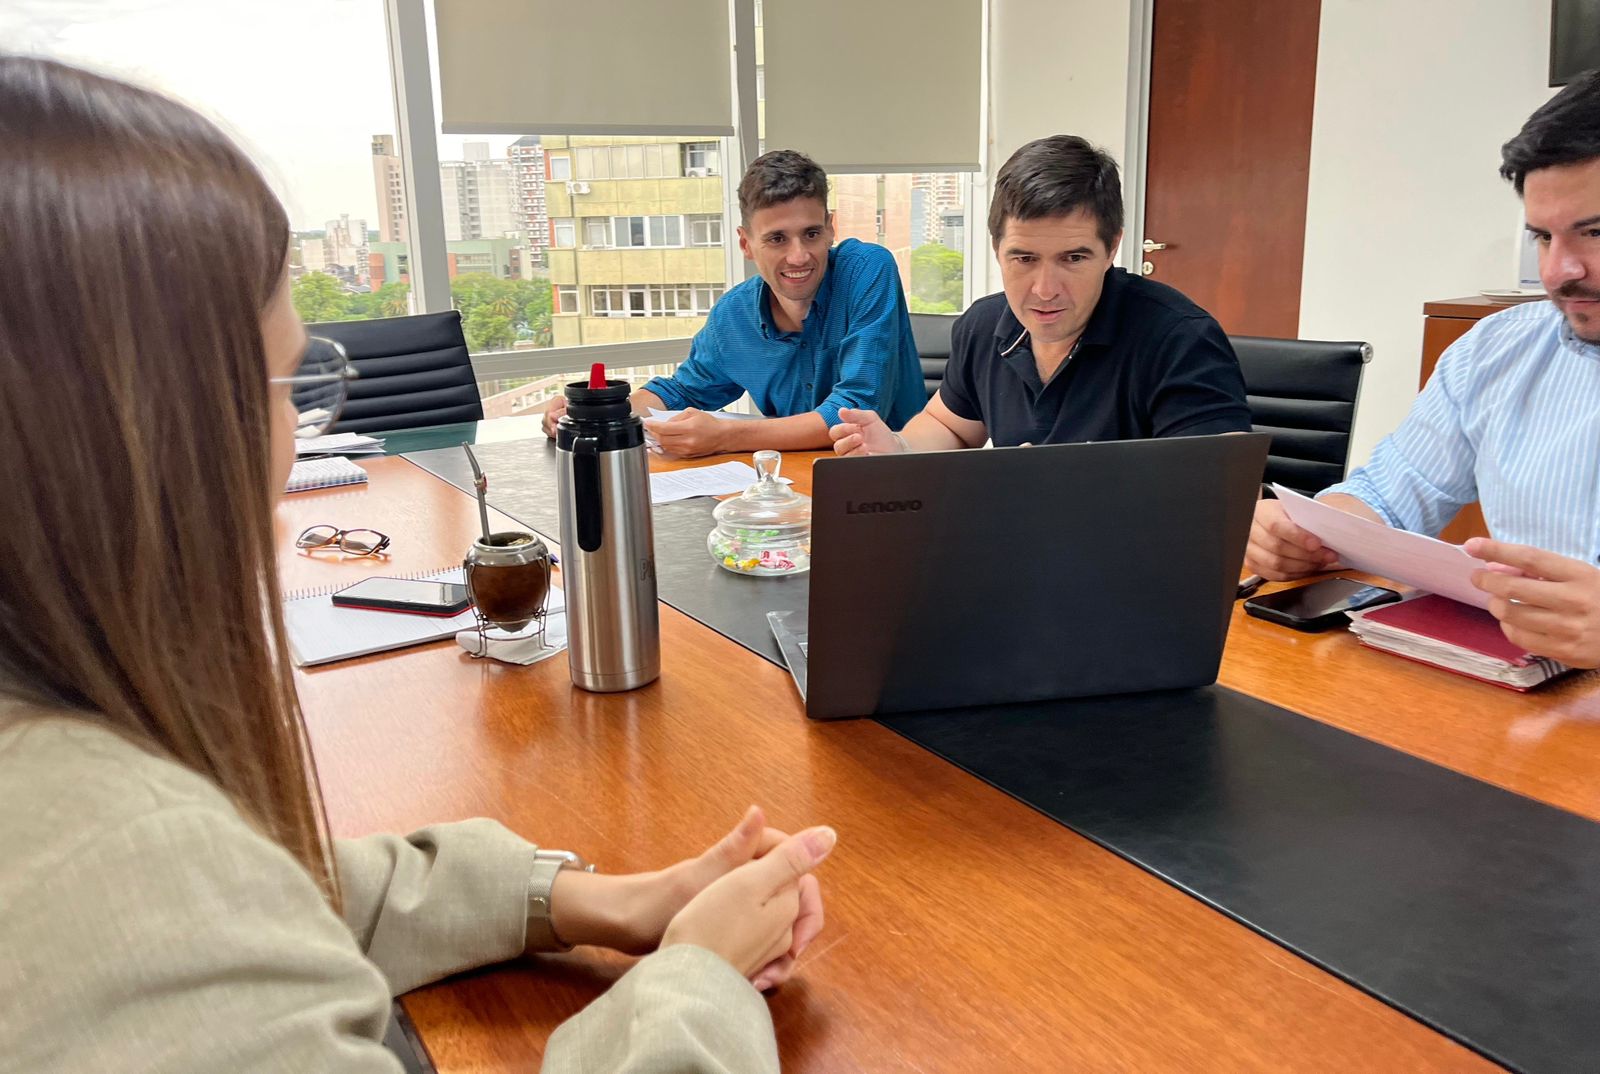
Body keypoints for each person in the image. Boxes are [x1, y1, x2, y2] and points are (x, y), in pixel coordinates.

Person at [0, 57, 832, 1072]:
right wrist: (696, 976)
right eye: (283, 378)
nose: (292, 428)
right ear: (145, 425)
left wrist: (587, 899)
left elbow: (264, 894)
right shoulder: (96, 858)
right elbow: (181, 909)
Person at [1244, 69, 1600, 669]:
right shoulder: (1495, 352)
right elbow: (1387, 496)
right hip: (1516, 702)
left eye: (1594, 233)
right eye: (1542, 237)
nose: (1558, 271)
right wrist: (1306, 535)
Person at [830, 135, 1251, 456]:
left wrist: (1063, 487)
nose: (1045, 290)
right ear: (997, 248)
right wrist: (898, 449)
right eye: (1024, 258)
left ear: (1112, 249)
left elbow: (1221, 493)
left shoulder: (1179, 339)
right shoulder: (984, 325)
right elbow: (951, 425)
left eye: (1073, 258)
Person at [542, 149, 925, 458]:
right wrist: (594, 416)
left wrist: (725, 436)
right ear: (746, 244)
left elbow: (855, 411)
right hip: (793, 488)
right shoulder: (734, 315)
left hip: (890, 483)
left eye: (811, 233)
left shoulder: (866, 269)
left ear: (830, 228)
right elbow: (681, 392)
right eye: (777, 239)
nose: (799, 256)